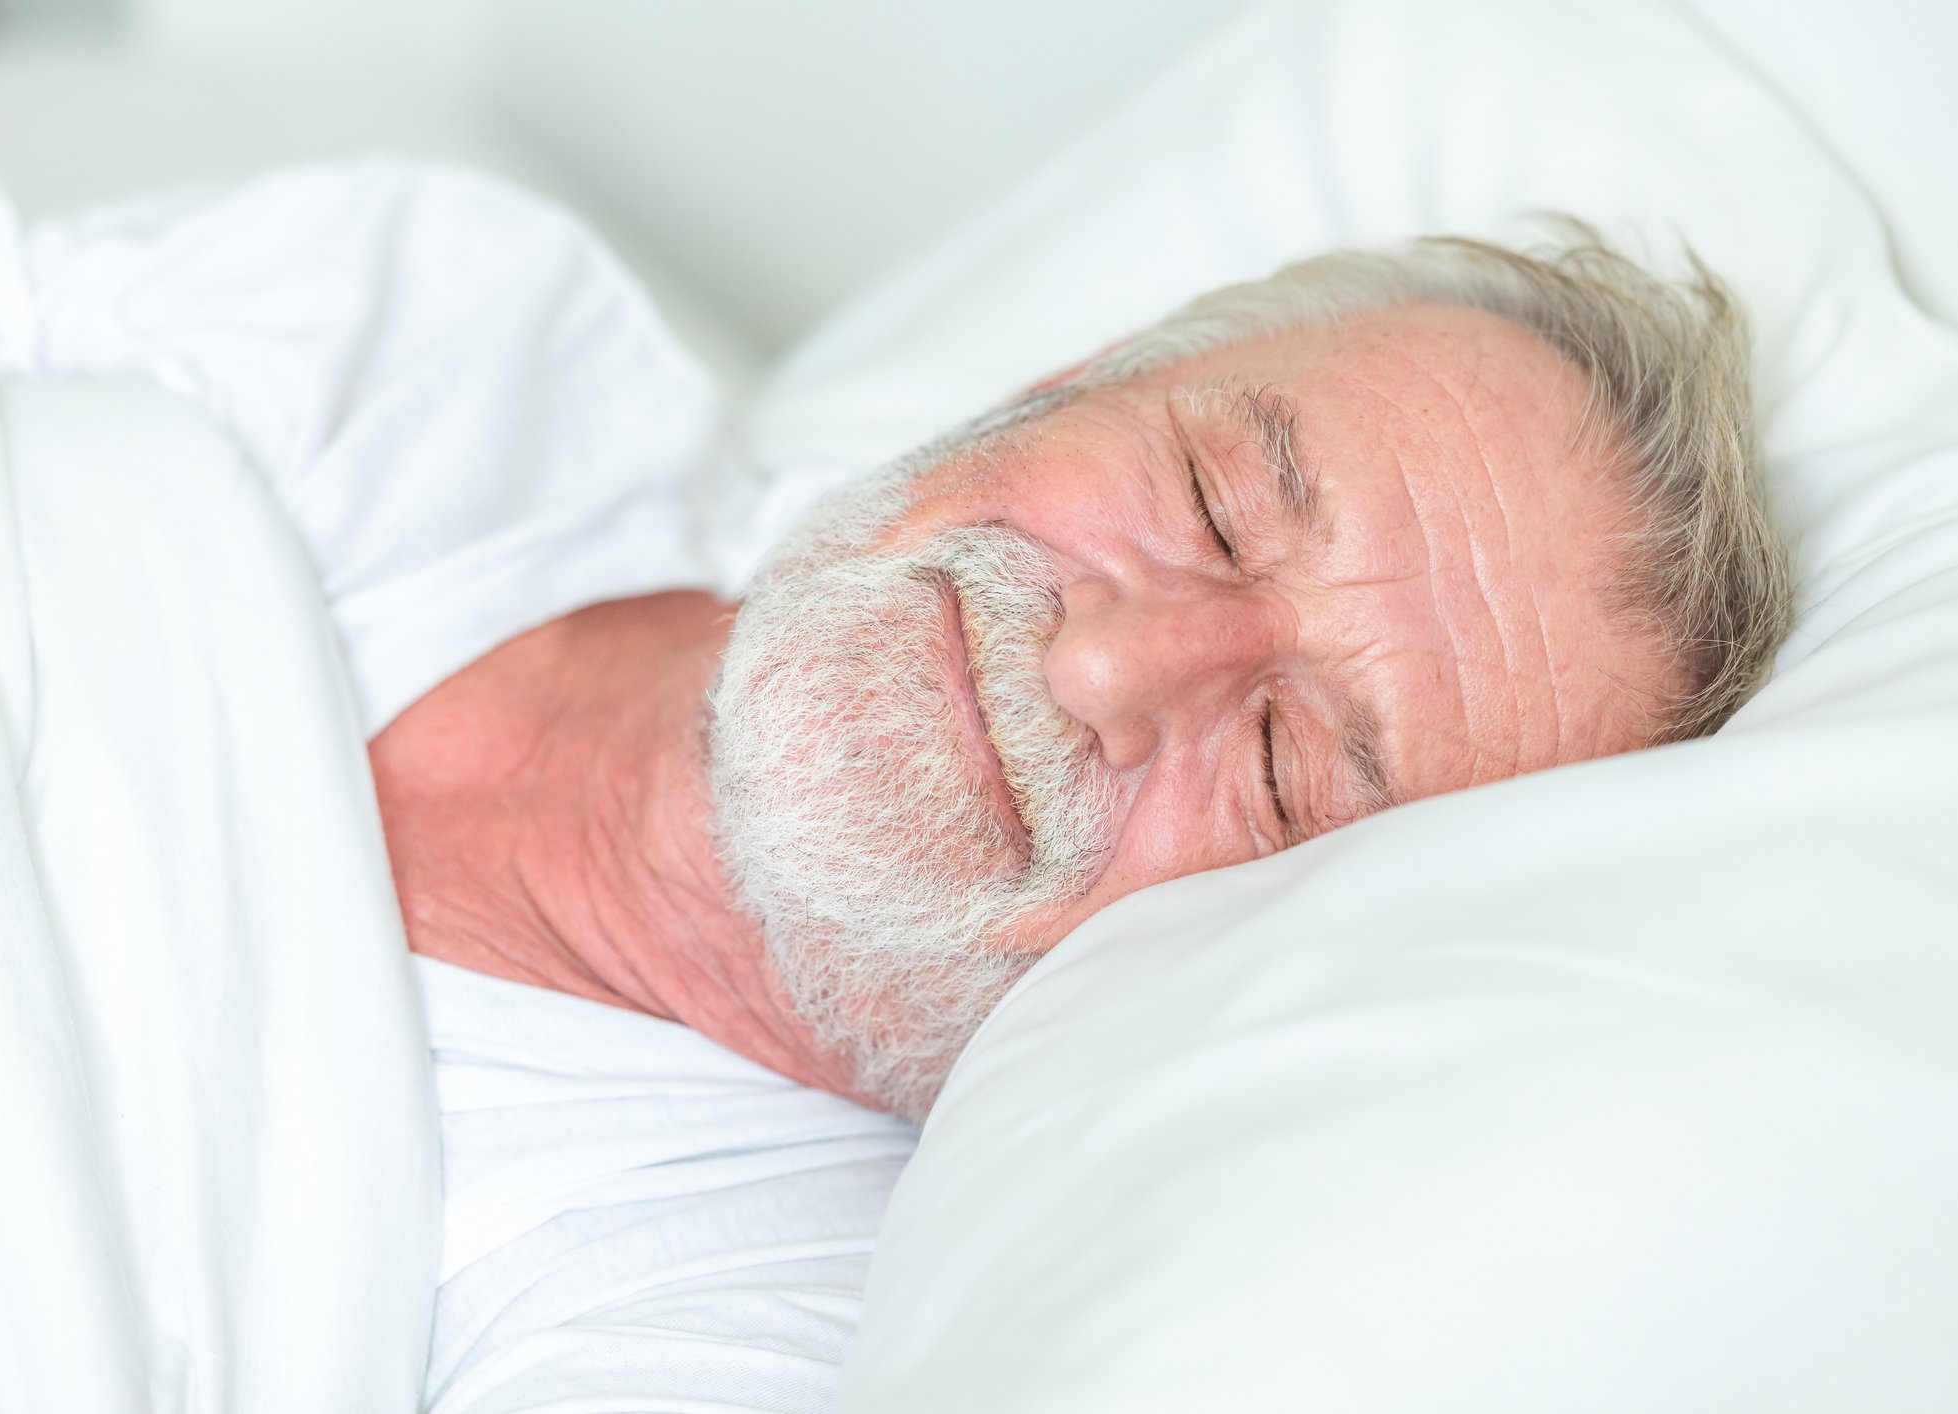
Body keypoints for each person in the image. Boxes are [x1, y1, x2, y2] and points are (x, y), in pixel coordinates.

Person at [368, 206, 1793, 1122]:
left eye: (1281, 768)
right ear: (1067, 381)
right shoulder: (425, 323)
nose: (1102, 668)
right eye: (1211, 501)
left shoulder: (694, 1345)